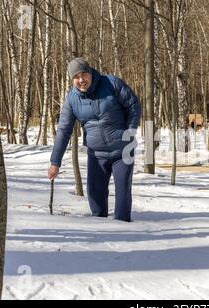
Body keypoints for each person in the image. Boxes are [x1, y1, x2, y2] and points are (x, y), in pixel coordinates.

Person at [48, 58, 141, 222]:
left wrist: (130, 133)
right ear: (72, 80)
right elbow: (64, 130)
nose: (81, 79)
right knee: (95, 198)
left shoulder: (111, 84)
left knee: (122, 194)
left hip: (122, 150)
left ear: (90, 73)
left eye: (84, 74)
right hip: (96, 154)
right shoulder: (72, 100)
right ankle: (99, 229)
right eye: (76, 77)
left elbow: (133, 104)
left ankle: (124, 230)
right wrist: (55, 162)